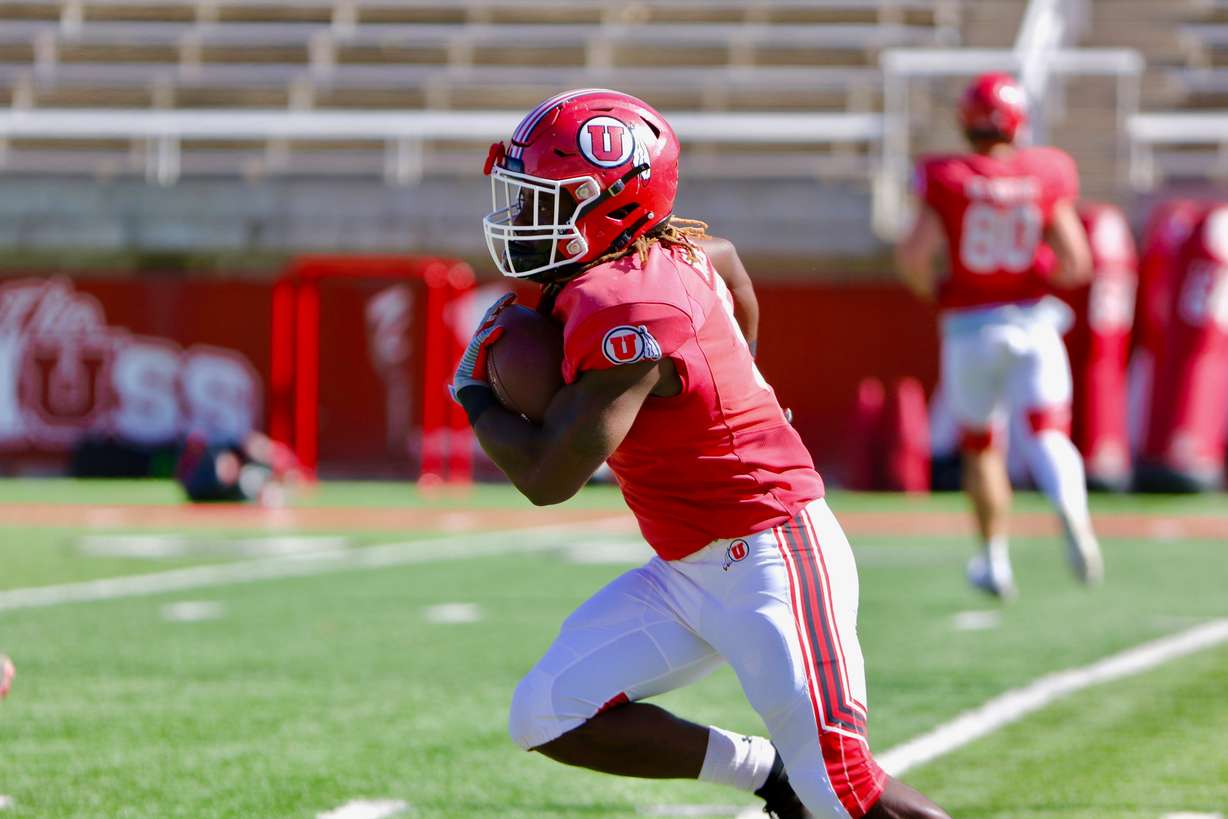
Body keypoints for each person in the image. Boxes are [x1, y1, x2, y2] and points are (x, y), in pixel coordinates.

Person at [453, 89, 948, 819]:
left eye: (548, 200)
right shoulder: (659, 253)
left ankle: (800, 781)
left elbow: (549, 477)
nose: (527, 218)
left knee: (843, 791)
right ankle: (764, 773)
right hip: (689, 566)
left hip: (772, 552)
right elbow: (728, 260)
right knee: (547, 712)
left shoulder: (631, 307)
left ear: (615, 201)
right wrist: (735, 370)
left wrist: (473, 391)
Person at [894, 72, 1104, 599]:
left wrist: (937, 290)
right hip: (1033, 321)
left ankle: (994, 560)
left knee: (982, 445)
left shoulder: (946, 175)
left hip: (970, 326)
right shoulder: (1047, 171)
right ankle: (1073, 515)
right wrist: (1031, 275)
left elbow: (915, 257)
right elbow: (1077, 261)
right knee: (1049, 431)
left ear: (966, 122)